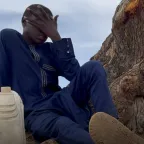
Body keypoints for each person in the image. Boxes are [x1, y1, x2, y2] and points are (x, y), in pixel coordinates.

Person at [0, 4, 125, 144]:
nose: (44, 32)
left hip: (62, 99)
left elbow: (74, 74)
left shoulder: (51, 50)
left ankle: (111, 126)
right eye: (40, 24)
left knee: (93, 67)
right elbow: (2, 86)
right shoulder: (9, 39)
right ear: (24, 21)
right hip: (36, 112)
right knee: (63, 126)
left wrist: (56, 37)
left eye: (48, 27)